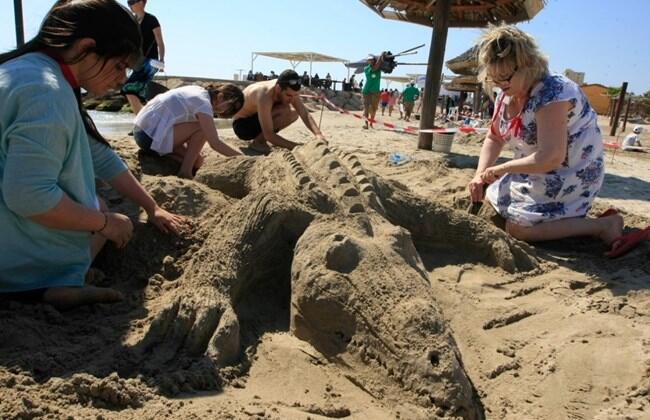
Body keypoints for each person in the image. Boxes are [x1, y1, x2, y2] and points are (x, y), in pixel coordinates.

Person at [0, 0, 185, 308]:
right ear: (85, 47)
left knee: (94, 203)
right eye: (118, 66)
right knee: (99, 213)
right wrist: (105, 224)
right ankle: (51, 283)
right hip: (8, 251)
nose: (121, 79)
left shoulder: (25, 69)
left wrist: (151, 207)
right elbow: (29, 196)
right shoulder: (47, 92)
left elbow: (98, 155)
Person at [467, 24, 625, 253]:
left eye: (506, 77)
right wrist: (480, 174)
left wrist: (503, 169)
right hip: (531, 167)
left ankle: (602, 226)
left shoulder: (553, 93)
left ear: (528, 65)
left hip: (570, 171)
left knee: (519, 228)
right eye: (494, 78)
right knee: (495, 201)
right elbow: (494, 137)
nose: (501, 85)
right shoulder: (506, 93)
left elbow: (551, 157)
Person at [133, 84, 244, 178]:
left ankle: (159, 155)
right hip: (147, 135)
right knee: (201, 128)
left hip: (142, 131)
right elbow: (215, 143)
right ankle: (185, 172)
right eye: (229, 107)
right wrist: (244, 159)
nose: (225, 111)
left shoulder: (198, 91)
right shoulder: (203, 104)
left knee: (197, 162)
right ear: (220, 96)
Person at [232, 69, 325, 154]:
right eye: (288, 95)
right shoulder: (264, 95)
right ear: (278, 88)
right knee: (284, 110)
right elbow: (269, 135)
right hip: (242, 125)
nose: (292, 99)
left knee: (293, 112)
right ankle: (258, 143)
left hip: (256, 117)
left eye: (294, 95)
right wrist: (298, 147)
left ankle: (259, 140)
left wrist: (319, 135)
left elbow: (304, 113)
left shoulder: (289, 90)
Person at [120, 0, 165, 115]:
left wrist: (162, 60)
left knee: (128, 89)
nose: (129, 5)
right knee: (137, 92)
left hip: (151, 62)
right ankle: (144, 121)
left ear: (141, 2)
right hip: (137, 62)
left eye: (131, 2)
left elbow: (160, 41)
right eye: (128, 2)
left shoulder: (151, 20)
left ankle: (141, 122)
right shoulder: (133, 21)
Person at [361, 54, 383, 129]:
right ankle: (366, 124)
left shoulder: (379, 69)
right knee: (366, 108)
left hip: (375, 91)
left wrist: (381, 58)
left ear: (374, 60)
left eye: (372, 60)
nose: (370, 61)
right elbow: (374, 69)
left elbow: (377, 67)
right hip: (366, 91)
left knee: (373, 108)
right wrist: (381, 56)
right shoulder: (366, 68)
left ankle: (371, 123)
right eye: (369, 60)